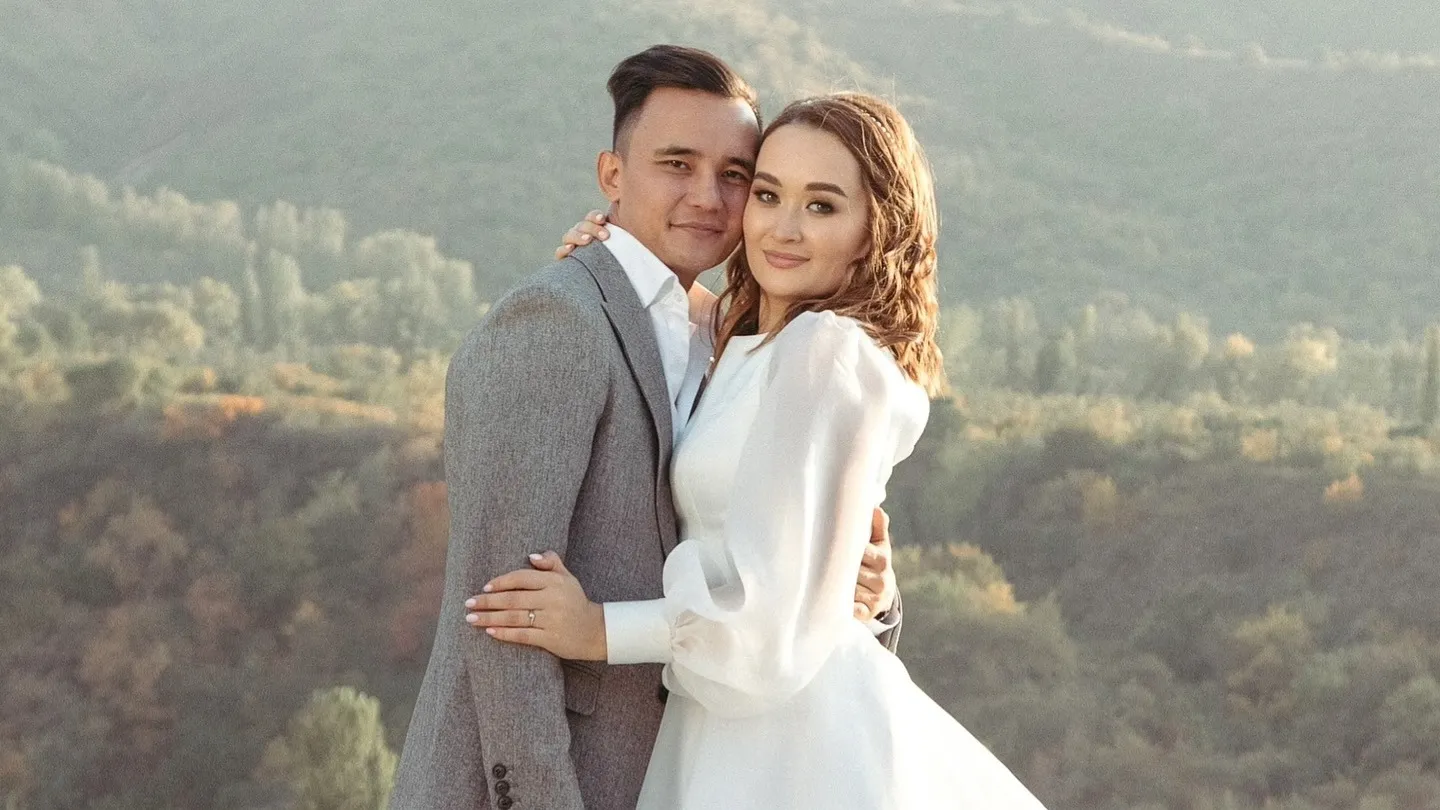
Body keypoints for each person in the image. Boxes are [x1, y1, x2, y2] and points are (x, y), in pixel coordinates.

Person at [466, 93, 1050, 808]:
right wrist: (615, 259)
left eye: (822, 206)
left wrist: (596, 630)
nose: (784, 228)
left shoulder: (824, 351)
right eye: (768, 194)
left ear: (876, 229)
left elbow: (764, 622)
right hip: (723, 719)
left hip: (783, 740)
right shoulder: (753, 341)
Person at [389, 46, 903, 810]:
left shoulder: (731, 339)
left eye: (736, 175)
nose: (708, 196)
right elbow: (501, 620)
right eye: (676, 164)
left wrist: (871, 593)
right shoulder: (556, 321)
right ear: (612, 176)